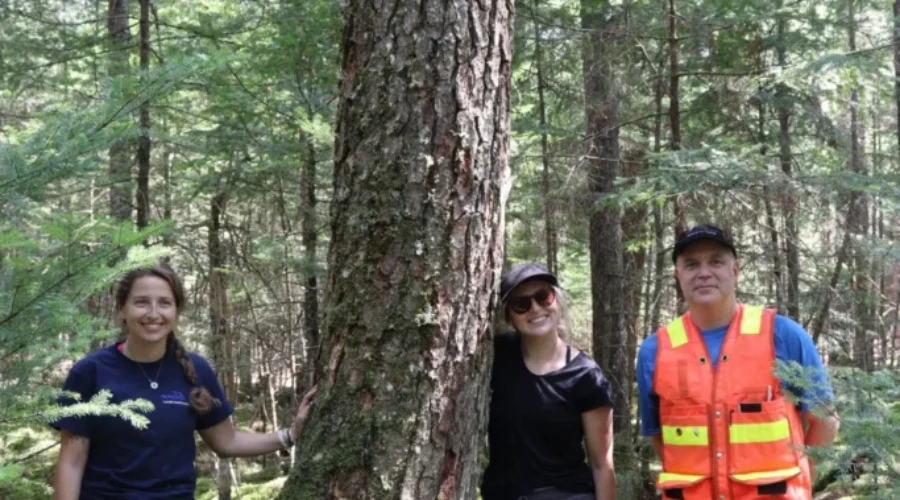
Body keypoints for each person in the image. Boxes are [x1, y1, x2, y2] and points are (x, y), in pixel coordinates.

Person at [51, 263, 317, 500]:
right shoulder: (90, 372)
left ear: (177, 311)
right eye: (141, 302)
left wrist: (290, 435)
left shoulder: (195, 369)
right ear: (123, 309)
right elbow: (72, 462)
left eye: (164, 303)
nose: (153, 313)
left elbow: (227, 442)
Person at [636, 224, 840, 500]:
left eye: (716, 262)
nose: (704, 273)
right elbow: (658, 435)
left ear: (735, 271)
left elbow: (824, 420)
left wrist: (804, 477)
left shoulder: (781, 335)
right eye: (692, 264)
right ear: (678, 275)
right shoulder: (655, 350)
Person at [481, 263, 616, 500]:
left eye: (543, 296)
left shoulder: (586, 376)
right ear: (509, 317)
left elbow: (602, 464)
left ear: (556, 302)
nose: (535, 308)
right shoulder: (495, 356)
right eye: (521, 304)